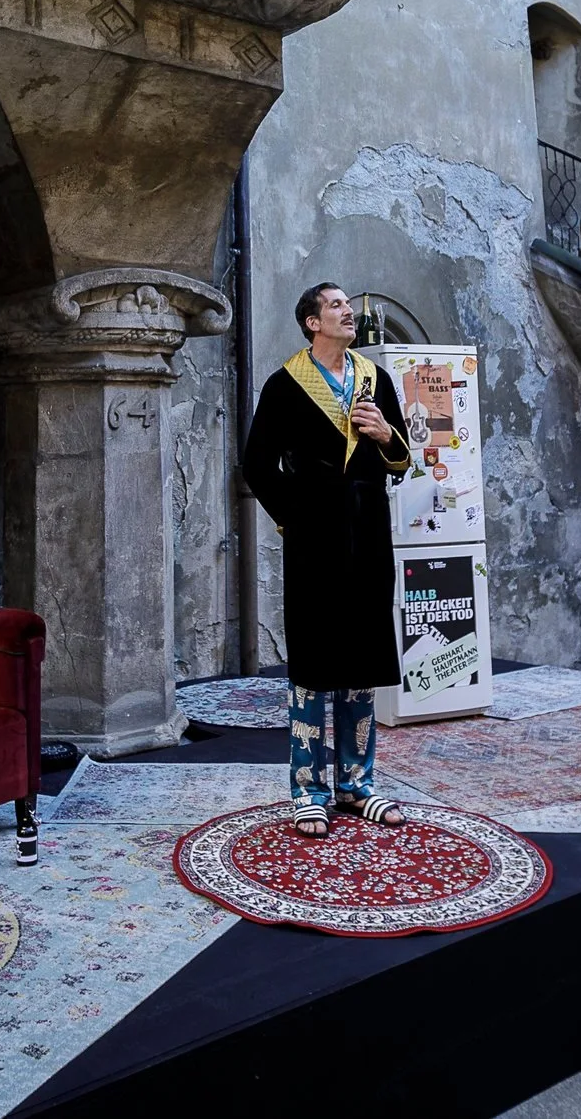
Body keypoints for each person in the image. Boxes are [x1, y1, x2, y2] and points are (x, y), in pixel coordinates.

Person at [241, 282, 413, 837]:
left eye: (347, 306)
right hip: (315, 535)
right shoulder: (286, 385)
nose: (349, 313)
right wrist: (298, 514)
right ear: (312, 322)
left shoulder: (374, 379)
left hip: (367, 531)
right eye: (336, 306)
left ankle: (357, 783)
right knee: (316, 659)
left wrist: (386, 433)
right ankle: (308, 789)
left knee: (361, 655)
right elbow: (257, 464)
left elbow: (400, 458)